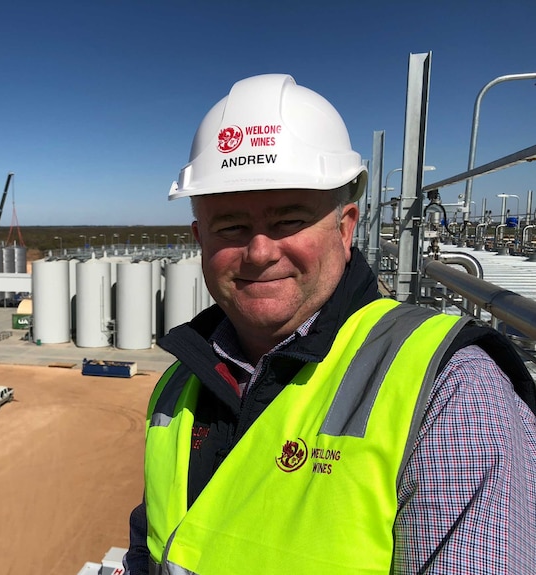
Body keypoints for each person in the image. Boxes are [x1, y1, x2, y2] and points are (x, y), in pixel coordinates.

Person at [124, 74, 536, 574]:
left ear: (345, 229)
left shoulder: (451, 390)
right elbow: (153, 547)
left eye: (288, 221)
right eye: (231, 225)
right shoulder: (177, 385)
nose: (259, 252)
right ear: (199, 238)